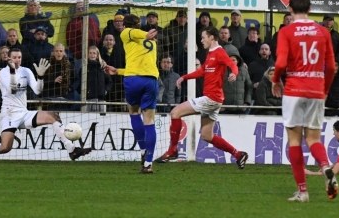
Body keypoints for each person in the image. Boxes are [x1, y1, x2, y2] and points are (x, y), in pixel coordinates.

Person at [0, 47, 91, 162]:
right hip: (9, 115)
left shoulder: (26, 71)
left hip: (24, 112)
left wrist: (40, 77)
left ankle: (72, 150)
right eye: (15, 57)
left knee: (53, 116)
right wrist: (12, 72)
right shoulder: (3, 73)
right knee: (5, 148)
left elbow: (38, 90)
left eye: (19, 57)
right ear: (9, 58)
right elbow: (12, 90)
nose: (17, 60)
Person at [271, 0, 337, 202]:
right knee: (313, 138)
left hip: (294, 90)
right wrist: (324, 90)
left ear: (290, 9)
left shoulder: (287, 32)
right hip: (317, 89)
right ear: (310, 9)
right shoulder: (323, 32)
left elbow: (281, 64)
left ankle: (303, 191)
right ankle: (326, 167)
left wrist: (275, 80)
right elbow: (331, 67)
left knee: (294, 140)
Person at [156, 27, 248, 169]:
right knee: (207, 135)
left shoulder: (220, 52)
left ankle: (173, 150)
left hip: (211, 98)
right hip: (214, 100)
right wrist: (184, 77)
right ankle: (238, 154)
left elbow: (232, 65)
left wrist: (234, 74)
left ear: (212, 38)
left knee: (175, 113)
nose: (201, 40)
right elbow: (202, 71)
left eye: (203, 37)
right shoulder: (209, 53)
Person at [105, 13, 159, 173]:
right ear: (139, 24)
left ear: (126, 25)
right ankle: (148, 163)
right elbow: (140, 63)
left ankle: (143, 151)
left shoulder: (125, 33)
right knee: (149, 120)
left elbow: (131, 32)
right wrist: (118, 71)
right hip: (150, 80)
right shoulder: (152, 42)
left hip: (133, 80)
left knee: (134, 112)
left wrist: (144, 34)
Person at [65, 0, 101, 65]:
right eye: (78, 9)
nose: (81, 10)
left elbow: (98, 35)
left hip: (94, 55)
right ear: (76, 11)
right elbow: (70, 42)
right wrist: (78, 54)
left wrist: (96, 50)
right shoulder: (72, 24)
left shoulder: (93, 21)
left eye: (82, 8)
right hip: (80, 57)